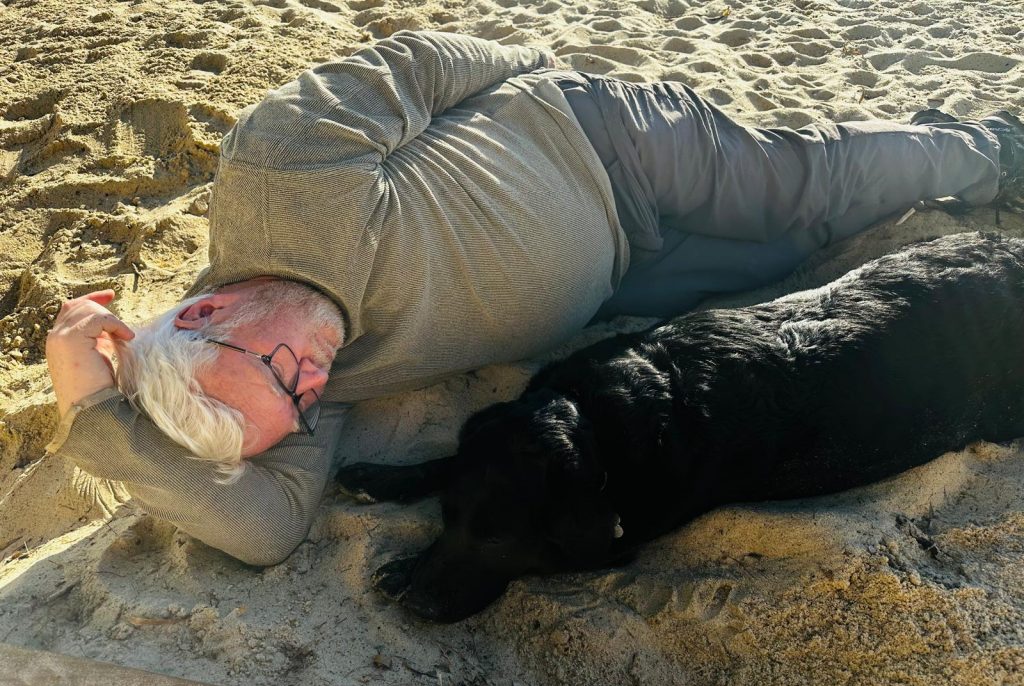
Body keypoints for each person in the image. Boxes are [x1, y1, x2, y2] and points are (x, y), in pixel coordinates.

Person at [44, 31, 1024, 566]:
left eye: (282, 371)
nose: (314, 383)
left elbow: (422, 63)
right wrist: (94, 417)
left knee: (803, 183)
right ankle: (916, 142)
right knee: (798, 248)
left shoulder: (280, 171)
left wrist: (536, 75)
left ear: (210, 311)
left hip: (602, 143)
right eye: (298, 403)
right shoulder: (310, 394)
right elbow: (264, 529)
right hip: (618, 281)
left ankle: (988, 147)